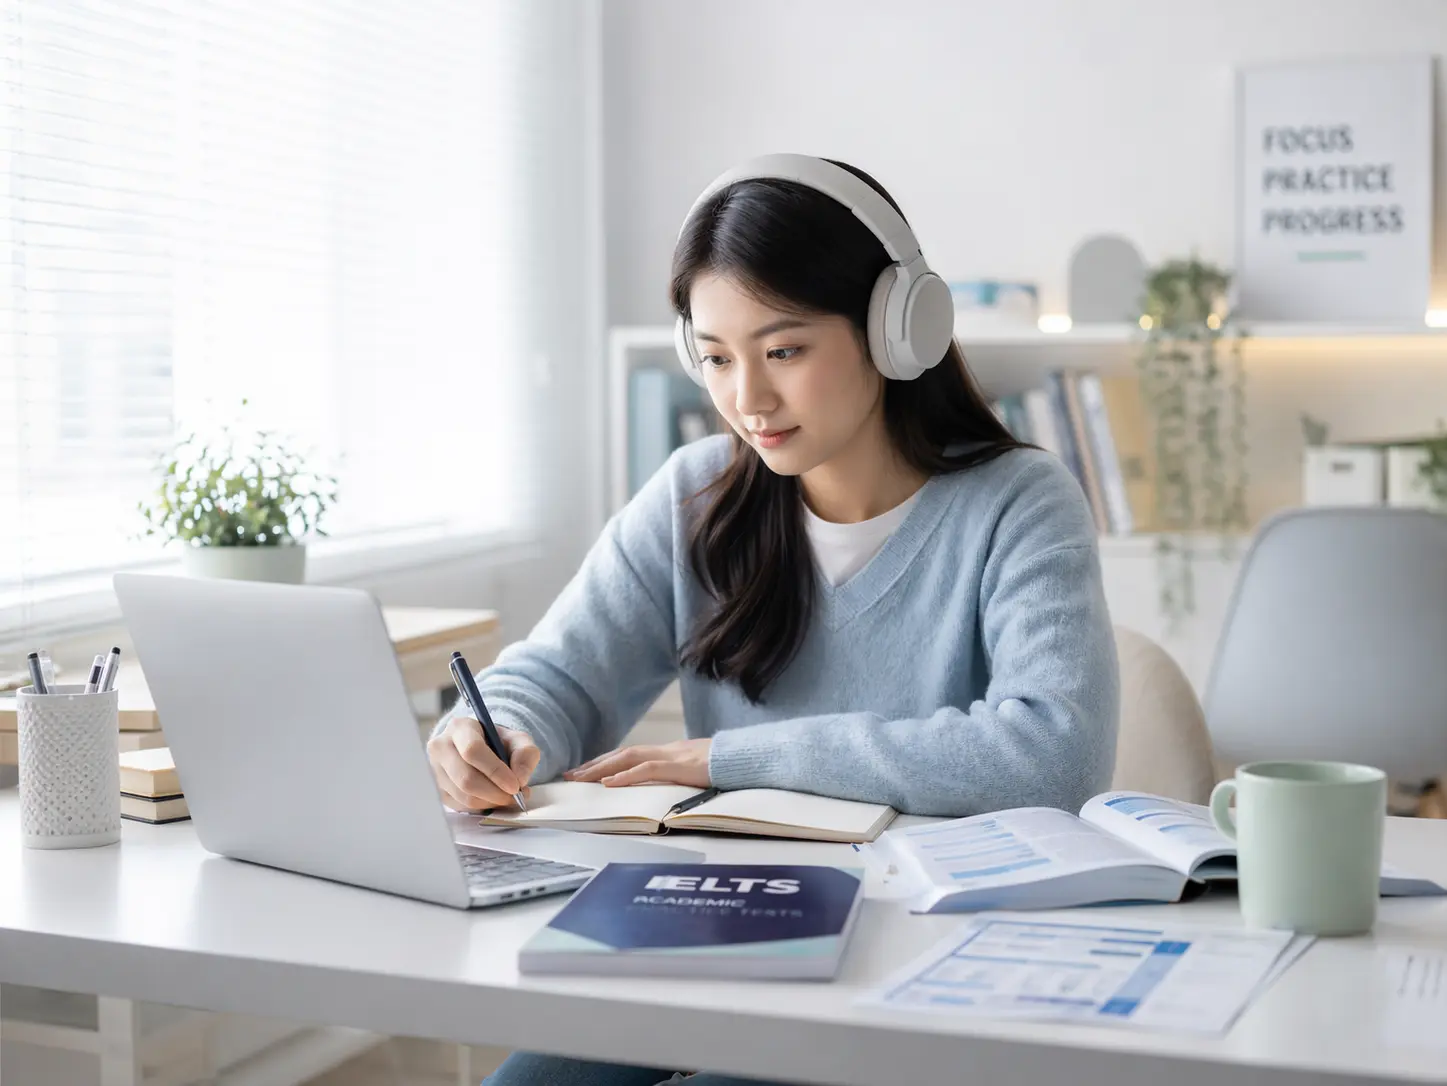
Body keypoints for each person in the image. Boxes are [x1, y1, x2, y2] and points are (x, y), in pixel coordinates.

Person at [429, 154, 1120, 1086]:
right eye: (715, 357)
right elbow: (556, 677)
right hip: (716, 928)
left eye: (782, 350)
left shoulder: (1019, 501)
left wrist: (729, 760)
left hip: (924, 959)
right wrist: (493, 731)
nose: (746, 399)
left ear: (895, 329)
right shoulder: (694, 496)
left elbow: (1053, 756)